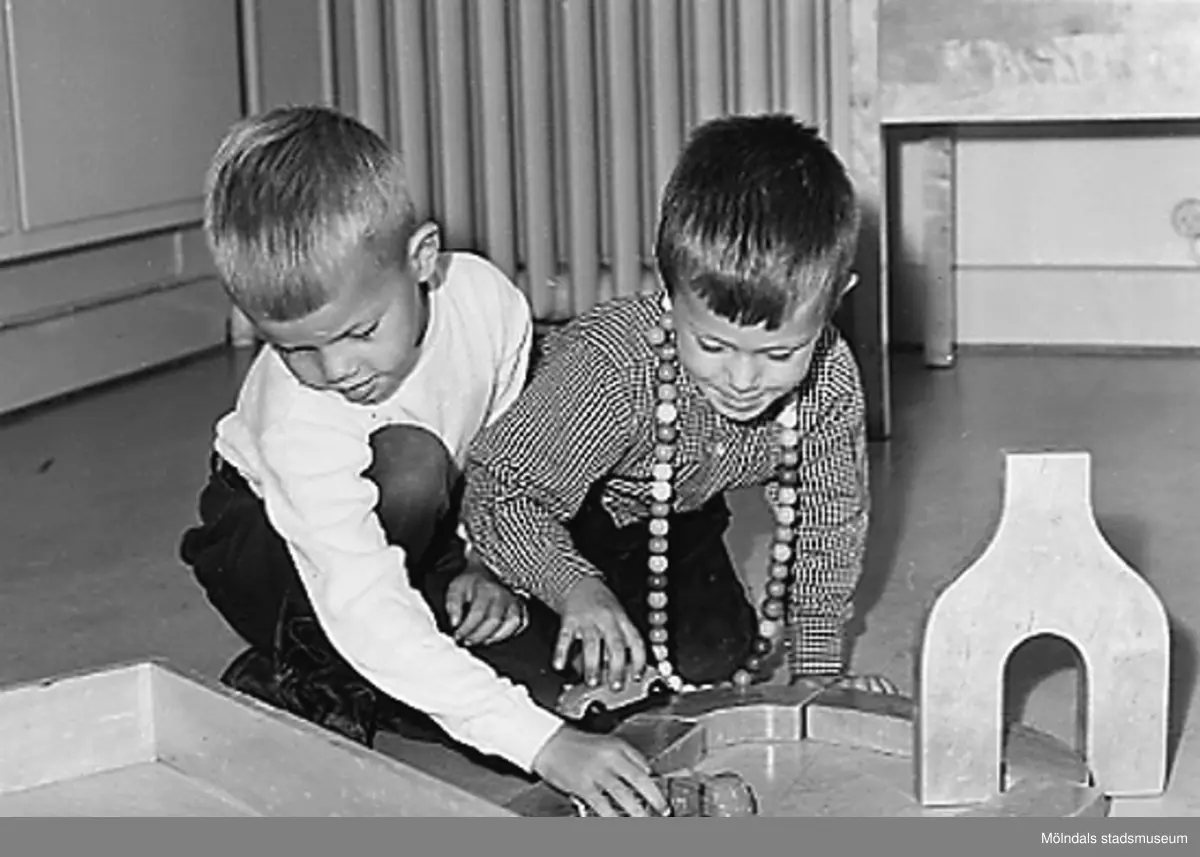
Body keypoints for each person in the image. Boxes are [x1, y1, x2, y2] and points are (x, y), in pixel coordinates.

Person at [178, 105, 666, 817]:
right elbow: (363, 598)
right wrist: (543, 746)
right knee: (409, 472)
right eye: (294, 348)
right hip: (268, 547)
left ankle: (374, 660)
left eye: (360, 331)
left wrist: (486, 563)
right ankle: (308, 665)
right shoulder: (296, 416)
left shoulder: (488, 301)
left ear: (422, 257)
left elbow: (503, 456)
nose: (337, 370)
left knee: (544, 682)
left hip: (425, 528)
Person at [459, 113, 896, 705]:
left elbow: (828, 524)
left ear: (835, 300)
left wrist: (818, 673)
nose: (743, 381)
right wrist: (573, 587)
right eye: (712, 346)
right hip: (551, 511)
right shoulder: (611, 364)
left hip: (672, 519)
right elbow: (502, 488)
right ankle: (476, 567)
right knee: (523, 680)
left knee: (717, 660)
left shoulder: (830, 377)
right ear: (669, 289)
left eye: (779, 353)